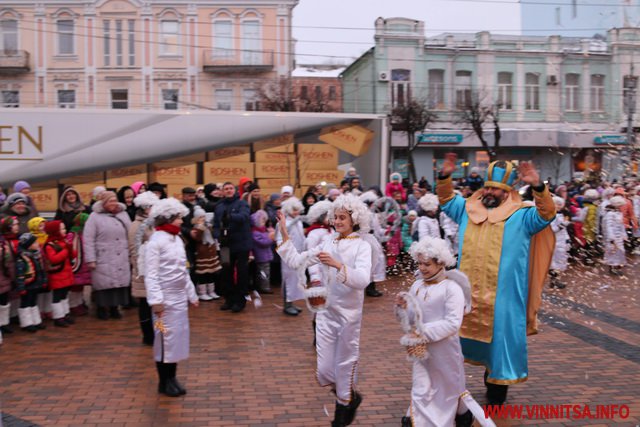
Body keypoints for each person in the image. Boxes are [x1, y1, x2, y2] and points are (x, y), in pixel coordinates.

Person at [437, 154, 555, 405]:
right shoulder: (468, 209)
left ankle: (496, 389)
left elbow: (546, 214)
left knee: (500, 344)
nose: (490, 191)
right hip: (469, 294)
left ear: (508, 191)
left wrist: (538, 186)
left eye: (496, 189)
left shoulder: (522, 216)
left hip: (504, 295)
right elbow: (447, 200)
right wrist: (445, 176)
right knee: (456, 338)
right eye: (488, 187)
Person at [276, 194, 372, 427]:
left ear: (354, 220)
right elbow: (297, 261)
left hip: (348, 316)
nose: (337, 221)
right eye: (335, 217)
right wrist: (284, 234)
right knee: (324, 371)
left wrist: (338, 265)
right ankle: (350, 396)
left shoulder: (362, 245)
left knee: (345, 364)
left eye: (343, 218)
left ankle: (342, 412)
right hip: (326, 315)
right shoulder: (329, 242)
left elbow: (362, 280)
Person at [395, 237, 474, 427]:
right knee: (422, 387)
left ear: (441, 263)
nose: (422, 268)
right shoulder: (417, 285)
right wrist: (402, 309)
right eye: (419, 263)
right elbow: (411, 319)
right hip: (421, 351)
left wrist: (423, 333)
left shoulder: (451, 288)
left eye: (427, 264)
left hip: (445, 350)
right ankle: (416, 420)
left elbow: (453, 322)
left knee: (447, 388)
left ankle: (459, 414)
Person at [145, 198, 199, 397]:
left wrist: (191, 294)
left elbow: (182, 270)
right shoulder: (155, 242)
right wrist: (156, 301)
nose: (181, 221)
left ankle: (172, 377)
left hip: (178, 301)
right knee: (163, 338)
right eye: (178, 218)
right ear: (167, 218)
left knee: (176, 339)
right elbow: (151, 274)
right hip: (164, 302)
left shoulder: (177, 239)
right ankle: (164, 381)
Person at [83, 191, 132, 320]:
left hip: (121, 254)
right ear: (104, 203)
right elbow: (88, 239)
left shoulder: (123, 214)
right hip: (103, 255)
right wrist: (91, 259)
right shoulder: (94, 217)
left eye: (115, 200)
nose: (113, 203)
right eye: (110, 201)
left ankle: (115, 308)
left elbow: (131, 234)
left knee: (118, 283)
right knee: (103, 284)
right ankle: (101, 308)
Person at [213, 182, 252, 313]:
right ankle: (229, 299)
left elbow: (245, 216)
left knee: (242, 273)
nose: (229, 191)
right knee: (226, 272)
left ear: (235, 190)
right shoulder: (219, 206)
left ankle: (240, 301)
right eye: (226, 189)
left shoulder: (242, 203)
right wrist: (218, 235)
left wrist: (230, 217)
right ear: (222, 191)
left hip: (241, 244)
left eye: (231, 188)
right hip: (225, 245)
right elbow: (216, 224)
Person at [129, 191, 159, 346]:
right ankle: (148, 336)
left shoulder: (152, 223)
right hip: (143, 270)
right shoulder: (137, 226)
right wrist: (141, 268)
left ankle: (157, 332)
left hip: (154, 269)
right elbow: (134, 249)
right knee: (145, 305)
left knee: (155, 305)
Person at [275, 197, 306, 316]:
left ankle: (291, 303)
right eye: (294, 209)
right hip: (288, 255)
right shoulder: (283, 223)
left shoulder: (298, 221)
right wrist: (286, 252)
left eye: (297, 209)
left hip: (298, 255)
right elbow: (279, 239)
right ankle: (287, 304)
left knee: (296, 280)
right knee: (288, 279)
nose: (296, 212)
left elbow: (301, 237)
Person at [44, 220, 75, 328]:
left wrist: (71, 249)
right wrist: (66, 251)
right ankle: (58, 316)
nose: (64, 230)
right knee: (57, 296)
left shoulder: (64, 242)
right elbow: (53, 259)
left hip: (66, 273)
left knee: (64, 295)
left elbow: (71, 256)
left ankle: (65, 313)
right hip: (57, 275)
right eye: (62, 229)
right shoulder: (50, 245)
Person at [14, 233, 47, 332]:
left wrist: (43, 280)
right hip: (28, 284)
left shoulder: (36, 255)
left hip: (36, 283)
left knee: (33, 301)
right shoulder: (21, 259)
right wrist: (21, 287)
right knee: (26, 302)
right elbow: (19, 275)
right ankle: (26, 322)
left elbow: (41, 270)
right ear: (28, 245)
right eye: (35, 242)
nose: (37, 244)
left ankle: (36, 320)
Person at [191, 206, 222, 301]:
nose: (203, 219)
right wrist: (201, 228)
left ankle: (211, 291)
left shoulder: (208, 226)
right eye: (200, 217)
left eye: (203, 216)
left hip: (211, 253)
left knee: (211, 272)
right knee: (203, 274)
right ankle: (202, 293)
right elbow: (197, 239)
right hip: (202, 254)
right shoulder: (196, 228)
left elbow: (214, 236)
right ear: (196, 219)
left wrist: (211, 227)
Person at [251, 210, 275, 295]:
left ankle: (264, 286)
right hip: (261, 256)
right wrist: (271, 238)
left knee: (265, 271)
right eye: (262, 220)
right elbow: (263, 243)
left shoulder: (263, 230)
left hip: (265, 255)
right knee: (263, 272)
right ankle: (264, 287)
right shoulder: (255, 232)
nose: (264, 222)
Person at [549, 197, 570, 289]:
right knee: (554, 263)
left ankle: (555, 280)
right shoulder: (550, 216)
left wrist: (567, 239)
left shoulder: (561, 215)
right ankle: (554, 281)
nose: (559, 206)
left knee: (560, 261)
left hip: (561, 242)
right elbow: (550, 230)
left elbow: (564, 231)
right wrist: (561, 226)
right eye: (557, 204)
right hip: (555, 242)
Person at [603, 196, 627, 276]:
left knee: (620, 251)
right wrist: (611, 237)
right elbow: (609, 226)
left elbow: (621, 225)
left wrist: (624, 234)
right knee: (612, 251)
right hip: (613, 236)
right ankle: (612, 267)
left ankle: (617, 266)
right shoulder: (610, 214)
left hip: (619, 236)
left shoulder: (618, 213)